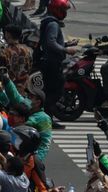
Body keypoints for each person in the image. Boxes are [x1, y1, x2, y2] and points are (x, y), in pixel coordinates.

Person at [36, 0, 76, 129]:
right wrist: (66, 50)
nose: (65, 13)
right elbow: (50, 43)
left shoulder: (48, 21)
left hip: (48, 61)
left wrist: (66, 44)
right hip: (52, 63)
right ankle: (47, 120)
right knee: (55, 91)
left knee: (50, 91)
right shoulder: (53, 24)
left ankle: (47, 119)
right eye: (63, 10)